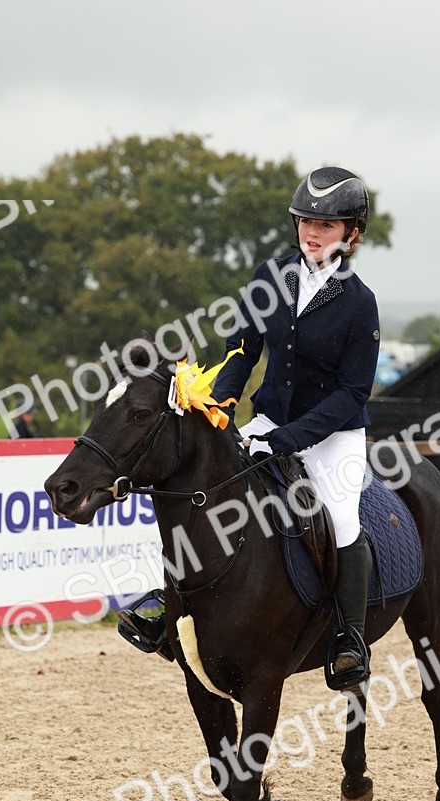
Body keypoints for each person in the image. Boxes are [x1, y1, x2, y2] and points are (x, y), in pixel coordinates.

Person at [119, 167, 380, 691]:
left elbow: (352, 393)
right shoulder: (271, 276)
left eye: (326, 226)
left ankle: (350, 638)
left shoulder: (358, 302)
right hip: (266, 420)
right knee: (202, 493)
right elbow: (241, 349)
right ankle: (169, 606)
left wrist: (287, 438)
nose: (311, 232)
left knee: (341, 517)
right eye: (306, 221)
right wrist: (222, 403)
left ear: (352, 233)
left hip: (334, 435)